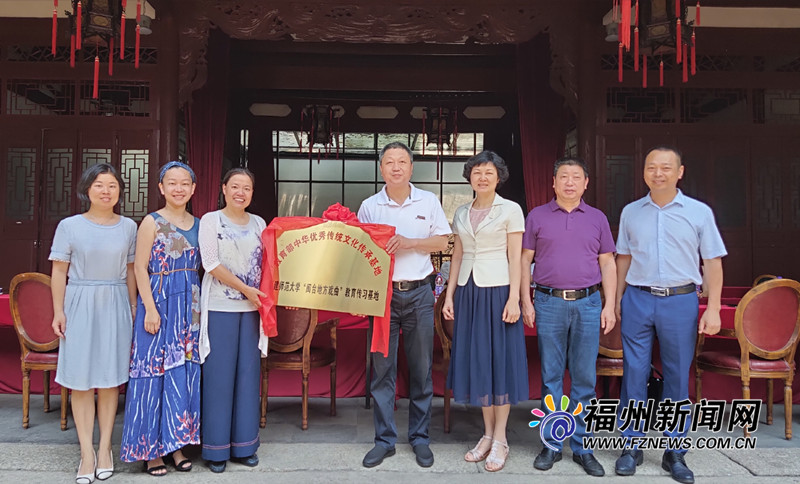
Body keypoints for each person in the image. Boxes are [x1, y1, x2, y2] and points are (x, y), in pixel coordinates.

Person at [614, 146, 726, 484]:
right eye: (651, 167)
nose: (658, 173)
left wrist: (715, 308)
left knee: (678, 375)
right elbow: (623, 259)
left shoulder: (699, 212)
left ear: (680, 172)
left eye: (665, 168)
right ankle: (631, 447)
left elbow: (713, 263)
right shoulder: (631, 212)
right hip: (637, 297)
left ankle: (675, 452)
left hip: (680, 301)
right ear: (644, 172)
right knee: (633, 372)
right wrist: (616, 300)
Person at [521, 157, 617, 477]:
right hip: (548, 302)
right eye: (564, 176)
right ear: (553, 182)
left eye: (576, 177)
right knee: (551, 378)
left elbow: (608, 264)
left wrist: (609, 304)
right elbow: (524, 262)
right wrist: (526, 300)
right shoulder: (537, 216)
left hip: (588, 303)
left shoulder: (597, 218)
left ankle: (582, 446)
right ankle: (551, 445)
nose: (570, 182)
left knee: (584, 379)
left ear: (586, 183)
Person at [358, 142, 450, 469]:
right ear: (381, 169)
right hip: (382, 299)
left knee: (421, 369)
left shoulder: (428, 201)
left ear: (411, 168)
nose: (396, 167)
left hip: (420, 295)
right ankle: (384, 440)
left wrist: (411, 243)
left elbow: (442, 240)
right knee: (382, 370)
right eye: (389, 162)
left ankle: (420, 438)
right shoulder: (370, 206)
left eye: (402, 162)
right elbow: (359, 253)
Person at [50, 163, 137, 484]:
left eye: (112, 185)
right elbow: (59, 271)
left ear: (119, 192)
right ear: (87, 189)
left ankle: (105, 449)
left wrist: (131, 307)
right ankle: (86, 452)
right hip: (79, 301)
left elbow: (130, 271)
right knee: (81, 380)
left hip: (115, 302)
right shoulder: (69, 226)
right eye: (99, 185)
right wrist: (58, 311)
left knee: (110, 379)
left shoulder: (128, 227)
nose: (106, 191)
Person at [442, 151, 528, 472]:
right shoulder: (462, 212)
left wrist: (514, 299)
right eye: (477, 172)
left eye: (489, 172)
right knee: (480, 361)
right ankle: (487, 434)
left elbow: (517, 257)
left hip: (499, 291)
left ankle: (501, 438)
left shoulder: (511, 210)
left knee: (499, 362)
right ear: (469, 177)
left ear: (498, 177)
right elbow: (458, 256)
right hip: (469, 291)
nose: (482, 177)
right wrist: (450, 295)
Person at [120, 161, 201, 475]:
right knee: (151, 374)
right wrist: (149, 309)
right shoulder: (151, 222)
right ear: (161, 188)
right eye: (172, 183)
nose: (178, 188)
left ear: (193, 189)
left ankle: (176, 445)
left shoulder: (198, 223)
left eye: (184, 183)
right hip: (158, 299)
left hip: (189, 306)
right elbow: (140, 267)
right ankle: (150, 451)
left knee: (182, 374)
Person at [198, 167, 268, 473]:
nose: (241, 192)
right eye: (235, 186)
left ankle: (244, 446)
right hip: (219, 308)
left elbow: (269, 263)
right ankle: (215, 450)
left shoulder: (259, 223)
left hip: (252, 311)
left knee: (248, 377)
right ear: (224, 188)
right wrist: (247, 290)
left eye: (247, 188)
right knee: (218, 377)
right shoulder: (210, 221)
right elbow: (210, 263)